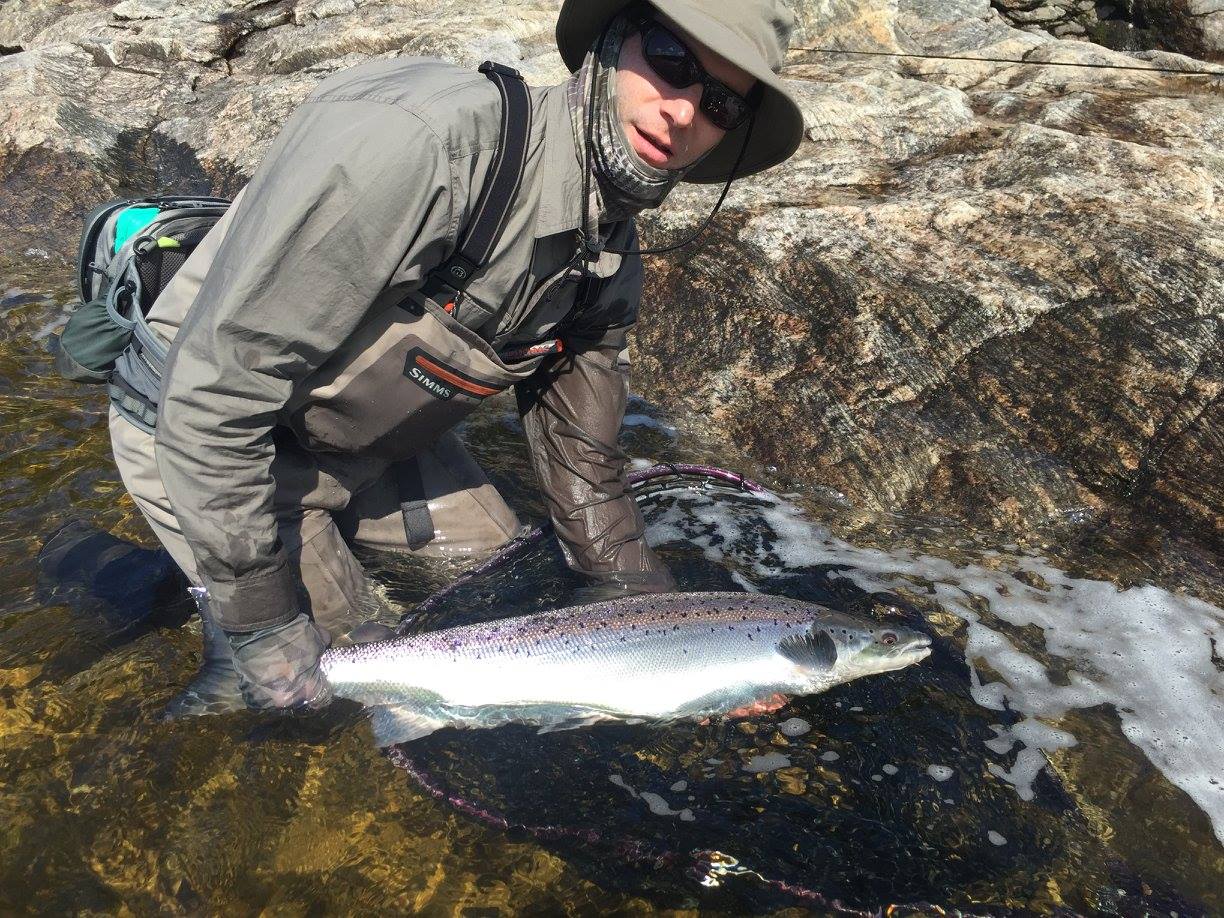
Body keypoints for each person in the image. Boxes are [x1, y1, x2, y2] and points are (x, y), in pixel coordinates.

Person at [106, 0, 805, 714]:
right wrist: (264, 625)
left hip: (365, 439)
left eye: (719, 101)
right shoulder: (422, 148)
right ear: (609, 40)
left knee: (490, 577)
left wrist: (668, 629)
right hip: (206, 432)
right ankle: (114, 578)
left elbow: (582, 458)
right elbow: (213, 403)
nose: (684, 113)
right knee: (350, 683)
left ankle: (226, 576)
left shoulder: (608, 254)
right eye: (672, 61)